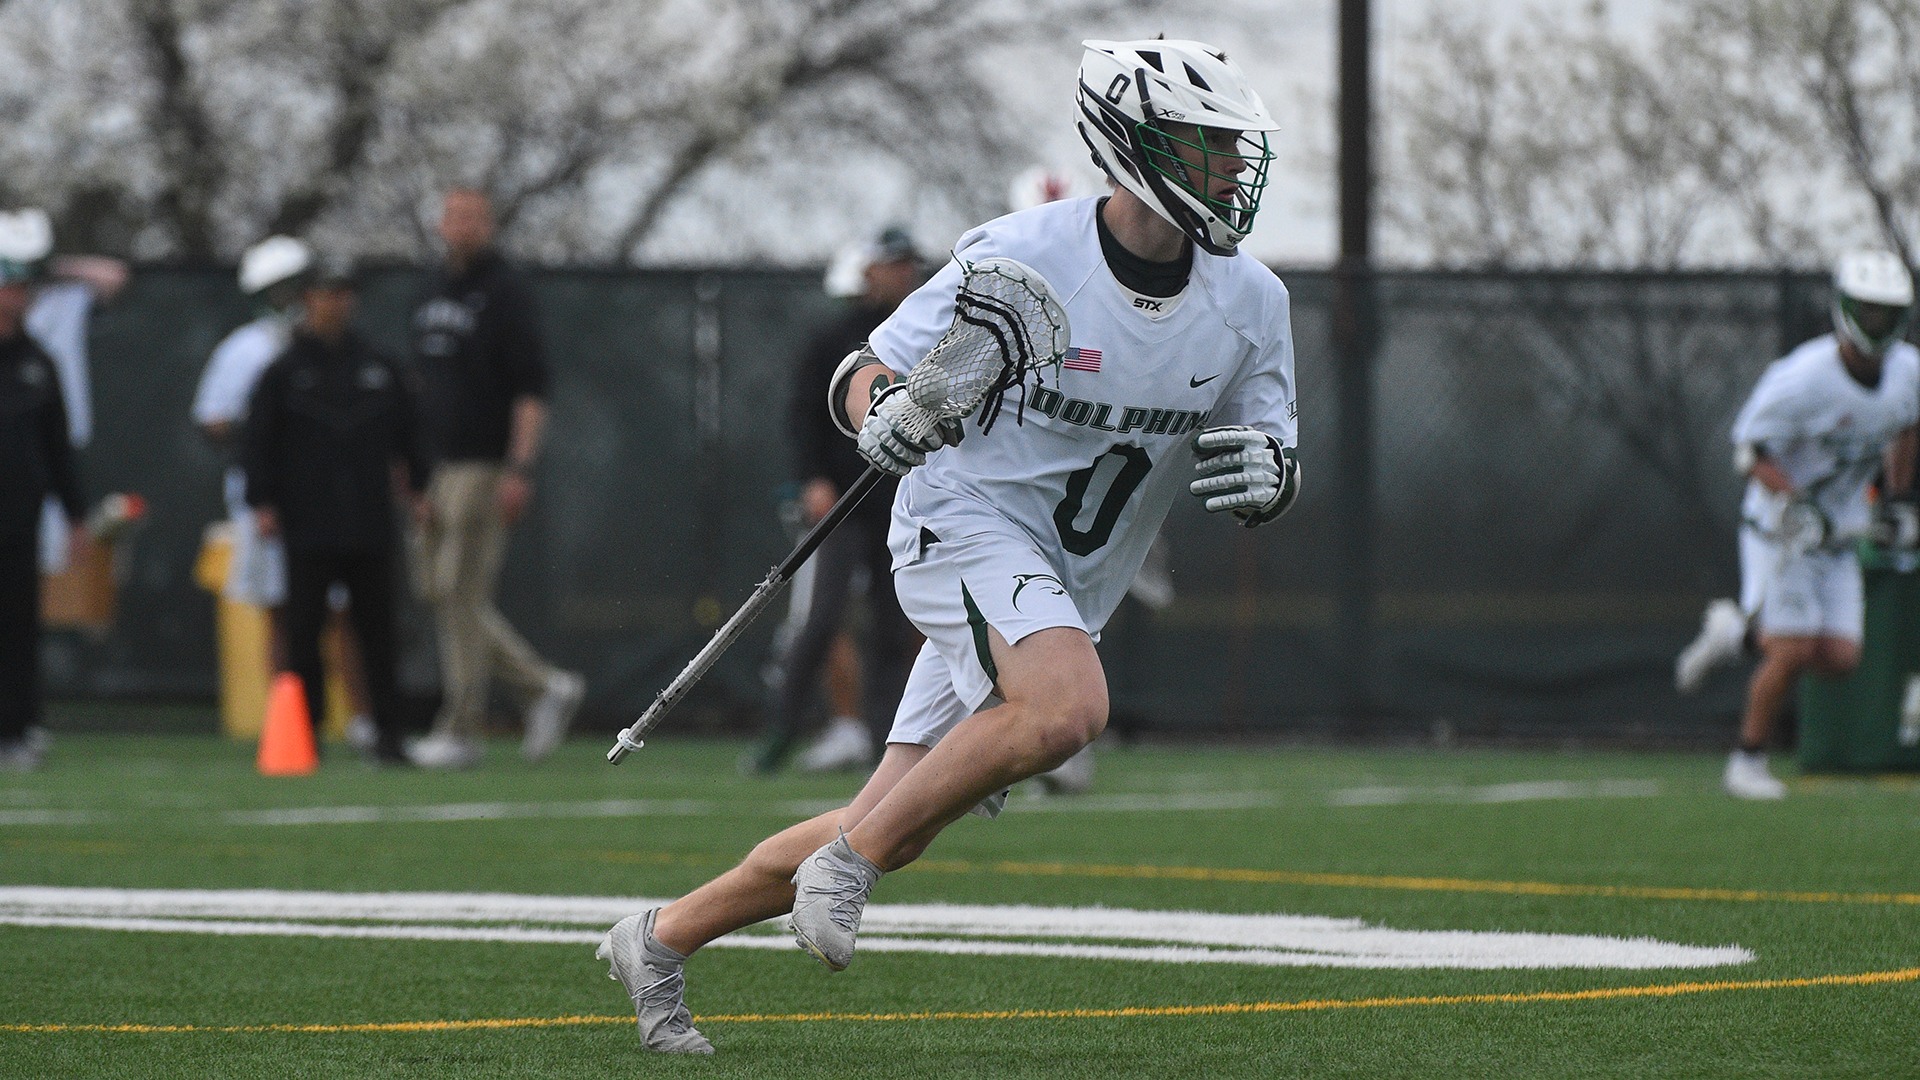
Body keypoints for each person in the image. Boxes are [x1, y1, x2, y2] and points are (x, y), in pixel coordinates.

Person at [594, 38, 1300, 1053]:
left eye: (1237, 145)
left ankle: (660, 939)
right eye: (1210, 142)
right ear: (1134, 142)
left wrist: (1274, 476)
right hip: (961, 525)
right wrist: (883, 411)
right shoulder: (1021, 253)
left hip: (1068, 582)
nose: (1234, 166)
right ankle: (848, 867)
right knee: (1069, 709)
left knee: (898, 815)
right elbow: (863, 371)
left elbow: (1271, 436)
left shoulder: (1252, 301)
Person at [1674, 249, 1918, 799]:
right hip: (1782, 530)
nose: (1876, 321)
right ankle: (1746, 762)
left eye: (1886, 311)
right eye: (1868, 309)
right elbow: (1749, 452)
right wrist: (1797, 503)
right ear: (1845, 309)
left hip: (1840, 535)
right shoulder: (1803, 378)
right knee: (1790, 650)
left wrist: (1897, 498)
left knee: (1839, 658)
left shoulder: (1908, 372)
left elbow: (1908, 423)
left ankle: (1733, 634)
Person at [407, 188, 584, 768]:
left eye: (473, 217)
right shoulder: (430, 289)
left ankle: (461, 728)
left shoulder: (506, 292)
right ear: (440, 223)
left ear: (488, 224)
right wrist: (415, 472)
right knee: (441, 593)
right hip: (437, 467)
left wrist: (519, 467)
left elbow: (531, 389)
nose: (462, 226)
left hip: (483, 464)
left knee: (460, 591)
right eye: (453, 215)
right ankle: (543, 685)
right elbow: (422, 387)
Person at [745, 227, 924, 776]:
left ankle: (887, 737)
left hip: (901, 501)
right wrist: (813, 479)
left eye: (908, 265)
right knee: (821, 619)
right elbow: (805, 415)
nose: (903, 274)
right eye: (892, 264)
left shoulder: (927, 329)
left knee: (896, 625)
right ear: (869, 271)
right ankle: (783, 728)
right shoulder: (834, 337)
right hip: (843, 501)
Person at [242, 259, 427, 766]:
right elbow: (258, 441)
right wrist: (262, 501)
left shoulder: (379, 366)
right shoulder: (283, 371)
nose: (335, 304)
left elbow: (410, 435)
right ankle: (306, 732)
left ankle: (389, 734)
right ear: (308, 300)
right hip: (307, 520)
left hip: (369, 519)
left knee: (378, 631)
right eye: (326, 294)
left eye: (343, 294)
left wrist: (419, 487)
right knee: (304, 632)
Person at [0, 208, 89, 772]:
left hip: (18, 516)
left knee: (17, 623)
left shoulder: (38, 361)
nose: (19, 296)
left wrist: (76, 516)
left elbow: (58, 448)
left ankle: (15, 727)